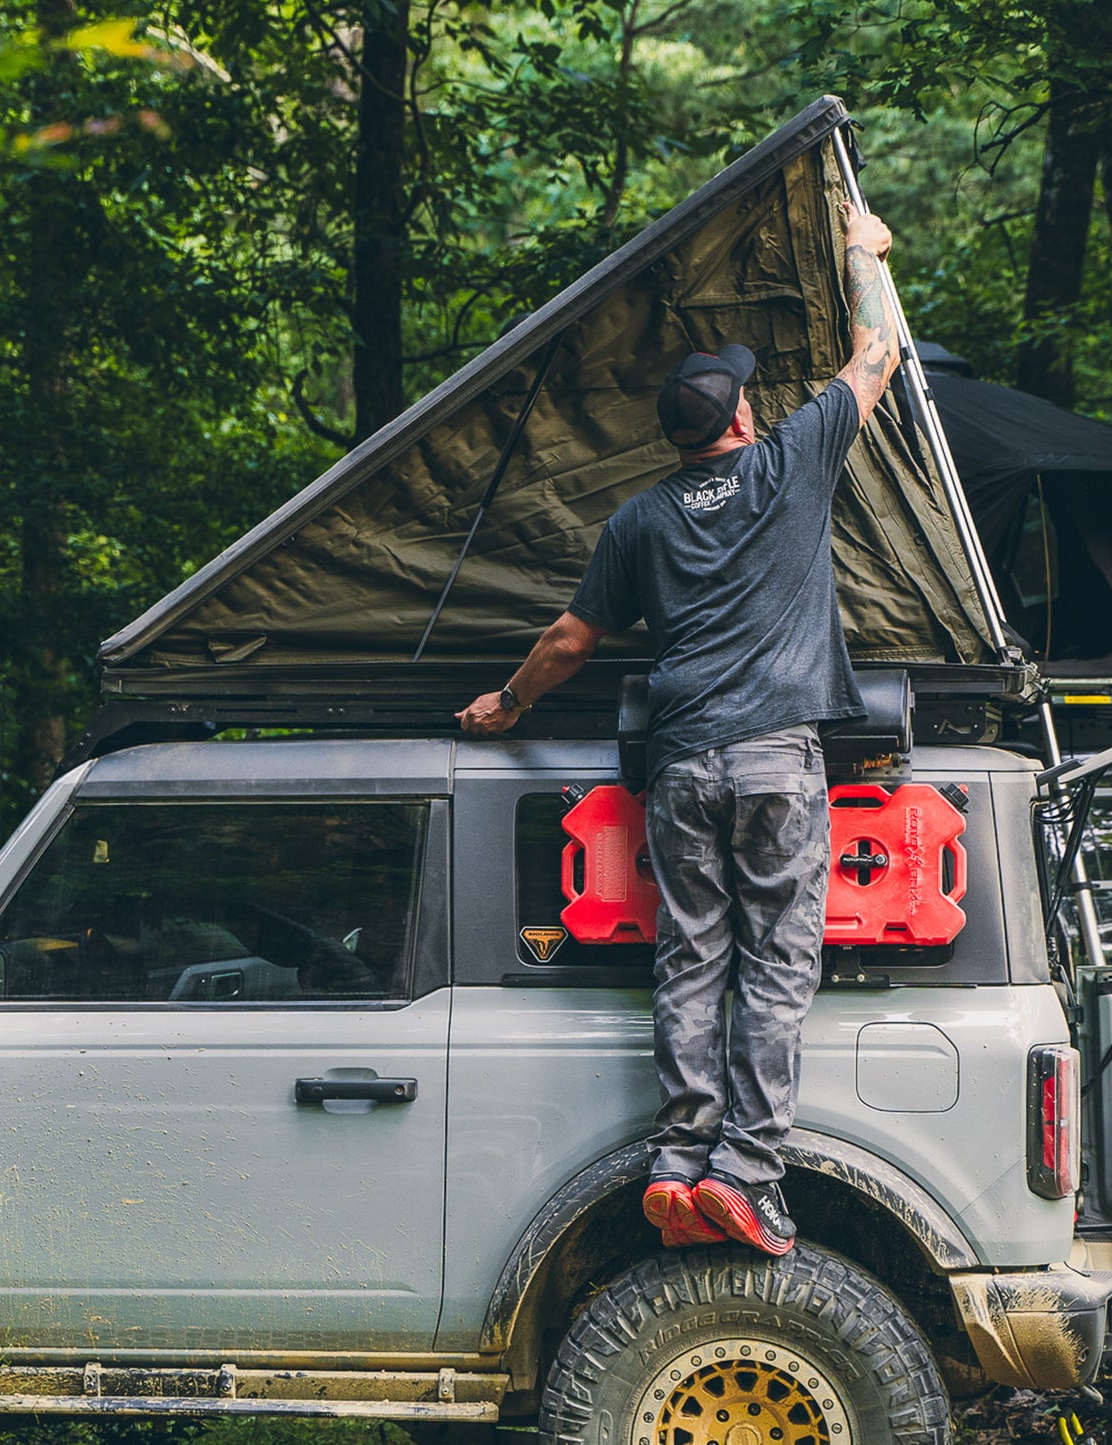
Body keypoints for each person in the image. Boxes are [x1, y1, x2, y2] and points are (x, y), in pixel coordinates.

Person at [457, 206, 899, 1255]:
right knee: (777, 964)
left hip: (683, 761)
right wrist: (862, 253)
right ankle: (742, 1172)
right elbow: (876, 351)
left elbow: (568, 637)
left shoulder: (638, 518)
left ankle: (675, 1160)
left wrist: (504, 705)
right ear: (742, 417)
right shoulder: (789, 462)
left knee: (690, 957)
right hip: (774, 758)